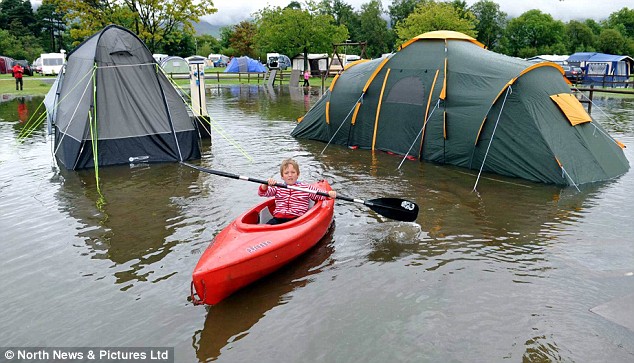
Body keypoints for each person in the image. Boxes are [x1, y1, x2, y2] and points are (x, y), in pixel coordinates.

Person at [258, 158, 336, 225]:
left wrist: (329, 194)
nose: (290, 175)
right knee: (265, 227)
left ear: (298, 174)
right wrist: (265, 184)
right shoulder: (278, 187)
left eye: (293, 172)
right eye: (286, 173)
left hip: (297, 220)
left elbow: (319, 195)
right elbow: (262, 193)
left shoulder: (305, 188)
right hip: (278, 218)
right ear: (282, 176)